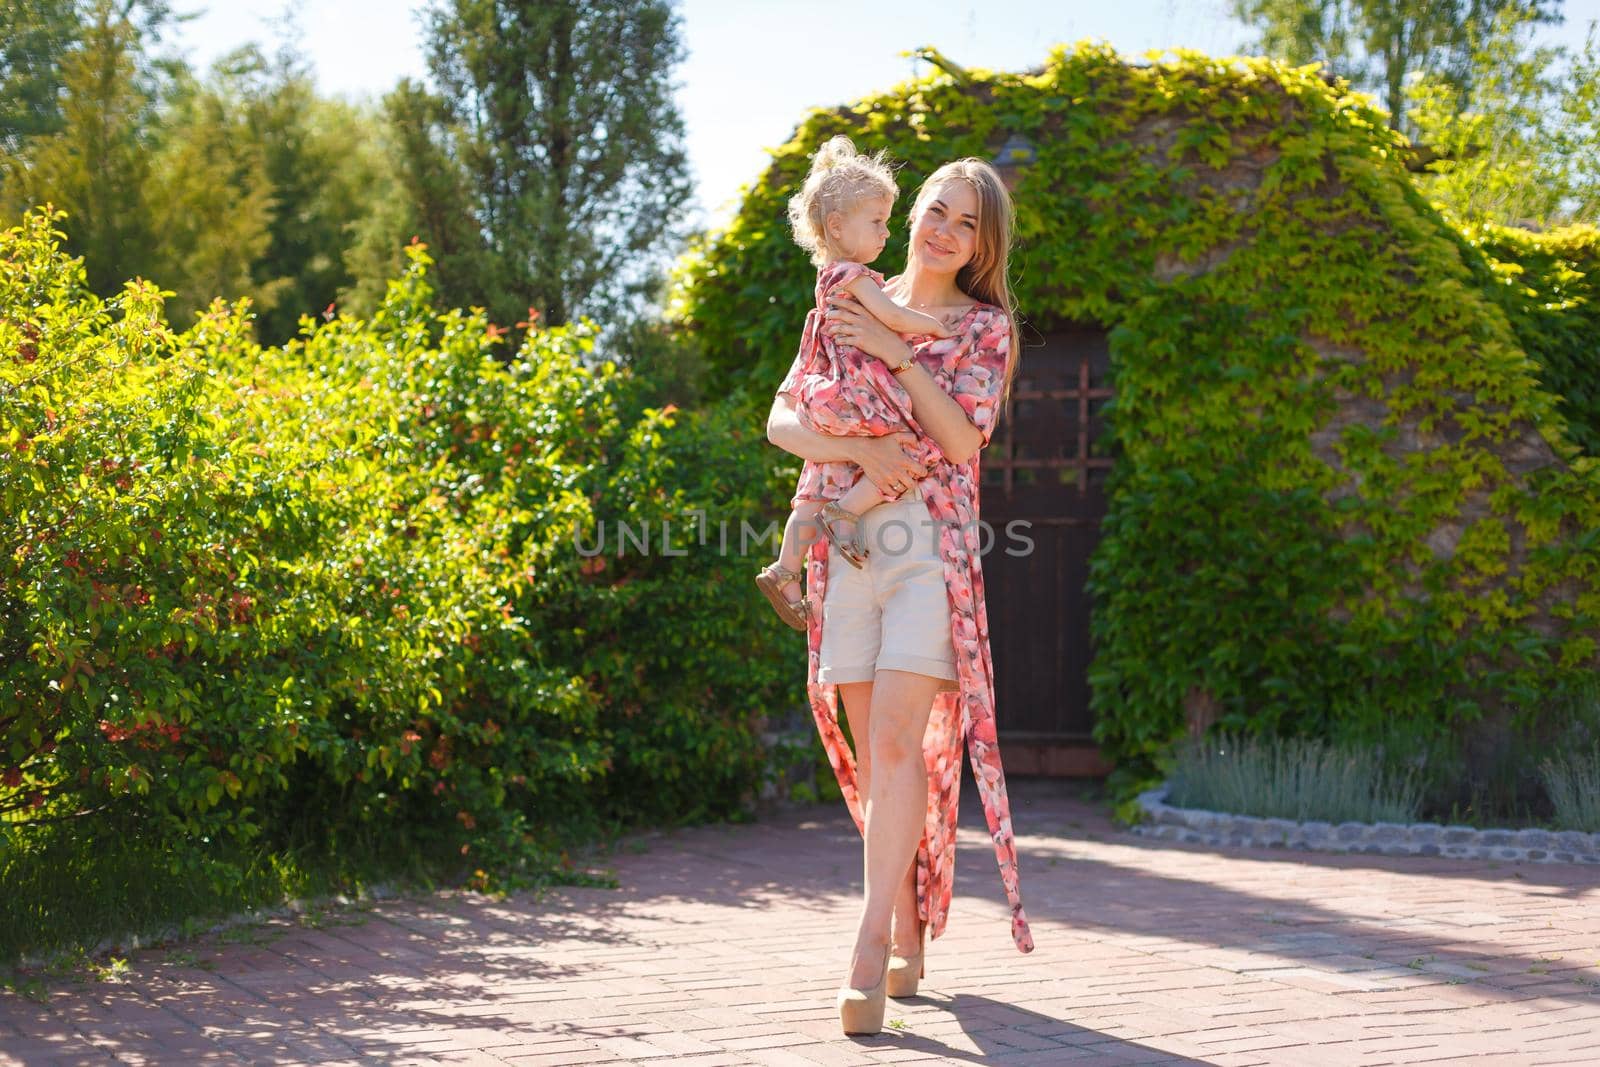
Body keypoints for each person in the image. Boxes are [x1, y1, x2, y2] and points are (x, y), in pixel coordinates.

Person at [765, 156, 1035, 1038]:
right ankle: (909, 917)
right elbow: (780, 419)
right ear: (911, 211)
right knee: (872, 754)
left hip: (929, 548)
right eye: (936, 210)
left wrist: (896, 355)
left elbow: (959, 438)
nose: (943, 230)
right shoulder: (849, 289)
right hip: (845, 549)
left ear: (981, 247)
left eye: (967, 225)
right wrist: (868, 453)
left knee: (894, 741)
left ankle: (868, 941)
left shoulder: (980, 329)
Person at [754, 135, 957, 631]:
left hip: (824, 397)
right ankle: (846, 512)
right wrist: (930, 325)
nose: (887, 232)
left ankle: (784, 568)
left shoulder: (826, 280)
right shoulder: (854, 275)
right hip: (854, 394)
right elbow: (889, 314)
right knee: (919, 444)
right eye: (877, 222)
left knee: (817, 479)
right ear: (838, 227)